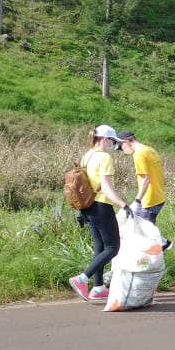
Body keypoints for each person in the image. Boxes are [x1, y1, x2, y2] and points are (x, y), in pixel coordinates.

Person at [69, 124, 130, 302]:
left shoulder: (87, 155)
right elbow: (106, 187)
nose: (114, 145)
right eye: (112, 141)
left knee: (100, 247)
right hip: (101, 205)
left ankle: (97, 288)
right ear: (104, 139)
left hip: (87, 206)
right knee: (113, 247)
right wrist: (123, 205)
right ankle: (82, 279)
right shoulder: (104, 158)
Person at [118, 130, 173, 252]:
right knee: (143, 229)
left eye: (121, 147)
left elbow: (145, 180)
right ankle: (160, 247)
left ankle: (158, 253)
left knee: (145, 234)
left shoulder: (138, 154)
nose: (123, 151)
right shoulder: (149, 149)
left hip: (149, 199)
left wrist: (137, 200)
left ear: (126, 142)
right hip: (158, 195)